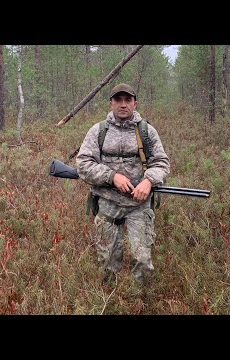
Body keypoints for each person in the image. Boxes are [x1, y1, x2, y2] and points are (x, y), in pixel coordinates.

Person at [76, 83, 170, 287]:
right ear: (111, 103)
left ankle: (141, 301)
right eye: (118, 100)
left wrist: (149, 180)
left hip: (139, 204)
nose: (123, 104)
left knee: (142, 260)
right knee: (106, 262)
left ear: (135, 103)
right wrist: (112, 177)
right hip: (108, 204)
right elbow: (83, 164)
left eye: (128, 100)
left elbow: (161, 163)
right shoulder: (98, 131)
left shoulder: (147, 131)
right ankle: (108, 300)